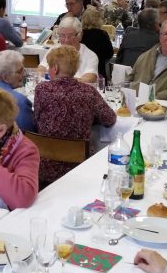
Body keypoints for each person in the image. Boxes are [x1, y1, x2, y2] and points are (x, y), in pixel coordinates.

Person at [34, 45, 116, 185]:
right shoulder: (88, 92)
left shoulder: (42, 89)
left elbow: (37, 121)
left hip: (46, 165)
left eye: (49, 66)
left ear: (55, 69)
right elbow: (109, 119)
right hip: (80, 165)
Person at [39, 16, 99, 83]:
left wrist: (59, 80)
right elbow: (41, 69)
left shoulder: (90, 56)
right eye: (62, 35)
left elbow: (89, 79)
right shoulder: (54, 50)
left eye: (70, 36)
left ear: (80, 35)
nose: (66, 40)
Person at [79, 6, 114, 81]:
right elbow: (110, 53)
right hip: (98, 72)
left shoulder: (79, 34)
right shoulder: (102, 34)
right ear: (98, 20)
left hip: (81, 71)